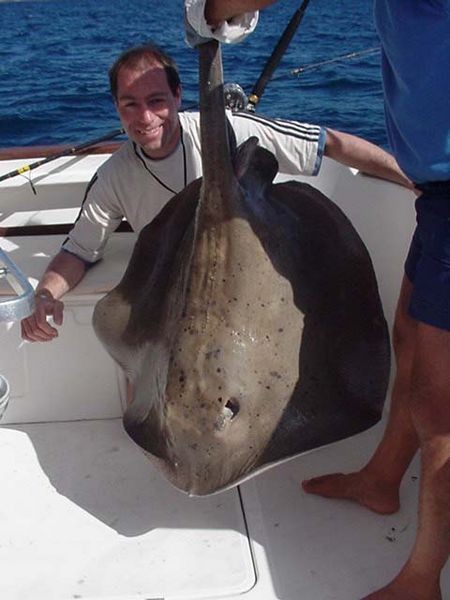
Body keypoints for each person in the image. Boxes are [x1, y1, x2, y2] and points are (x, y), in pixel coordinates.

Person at [185, 2, 450, 599]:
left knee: (441, 411)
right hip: (438, 192)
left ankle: (422, 580)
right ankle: (382, 479)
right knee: (408, 340)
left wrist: (209, 11)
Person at [21, 42, 411, 348]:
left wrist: (415, 180)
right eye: (131, 105)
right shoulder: (113, 178)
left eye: (156, 101)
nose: (145, 118)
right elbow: (78, 251)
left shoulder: (232, 130)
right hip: (177, 290)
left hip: (255, 276)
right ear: (116, 108)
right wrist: (44, 295)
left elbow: (330, 144)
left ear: (177, 96)